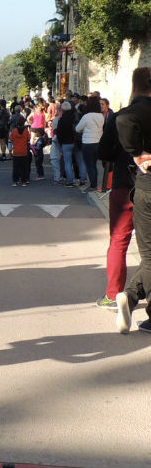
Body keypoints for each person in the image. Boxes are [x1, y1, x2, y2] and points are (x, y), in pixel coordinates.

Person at [115, 67, 151, 333]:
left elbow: (123, 119)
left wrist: (135, 153)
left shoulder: (138, 109)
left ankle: (130, 295)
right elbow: (124, 120)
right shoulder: (140, 110)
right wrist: (137, 153)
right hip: (146, 186)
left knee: (149, 254)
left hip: (146, 188)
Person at [96, 97, 137, 310]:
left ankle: (113, 294)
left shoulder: (121, 116)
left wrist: (121, 154)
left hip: (125, 182)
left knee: (119, 240)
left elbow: (103, 152)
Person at [74, 95, 105, 191]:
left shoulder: (86, 116)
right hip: (98, 142)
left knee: (89, 165)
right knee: (94, 165)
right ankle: (94, 183)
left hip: (88, 142)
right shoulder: (101, 116)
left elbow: (78, 129)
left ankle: (93, 185)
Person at [9, 115, 31, 186]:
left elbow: (10, 141)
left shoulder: (14, 131)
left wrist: (10, 150)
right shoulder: (26, 131)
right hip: (24, 152)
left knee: (15, 168)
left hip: (16, 152)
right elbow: (28, 140)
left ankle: (15, 181)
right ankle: (24, 181)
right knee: (24, 168)